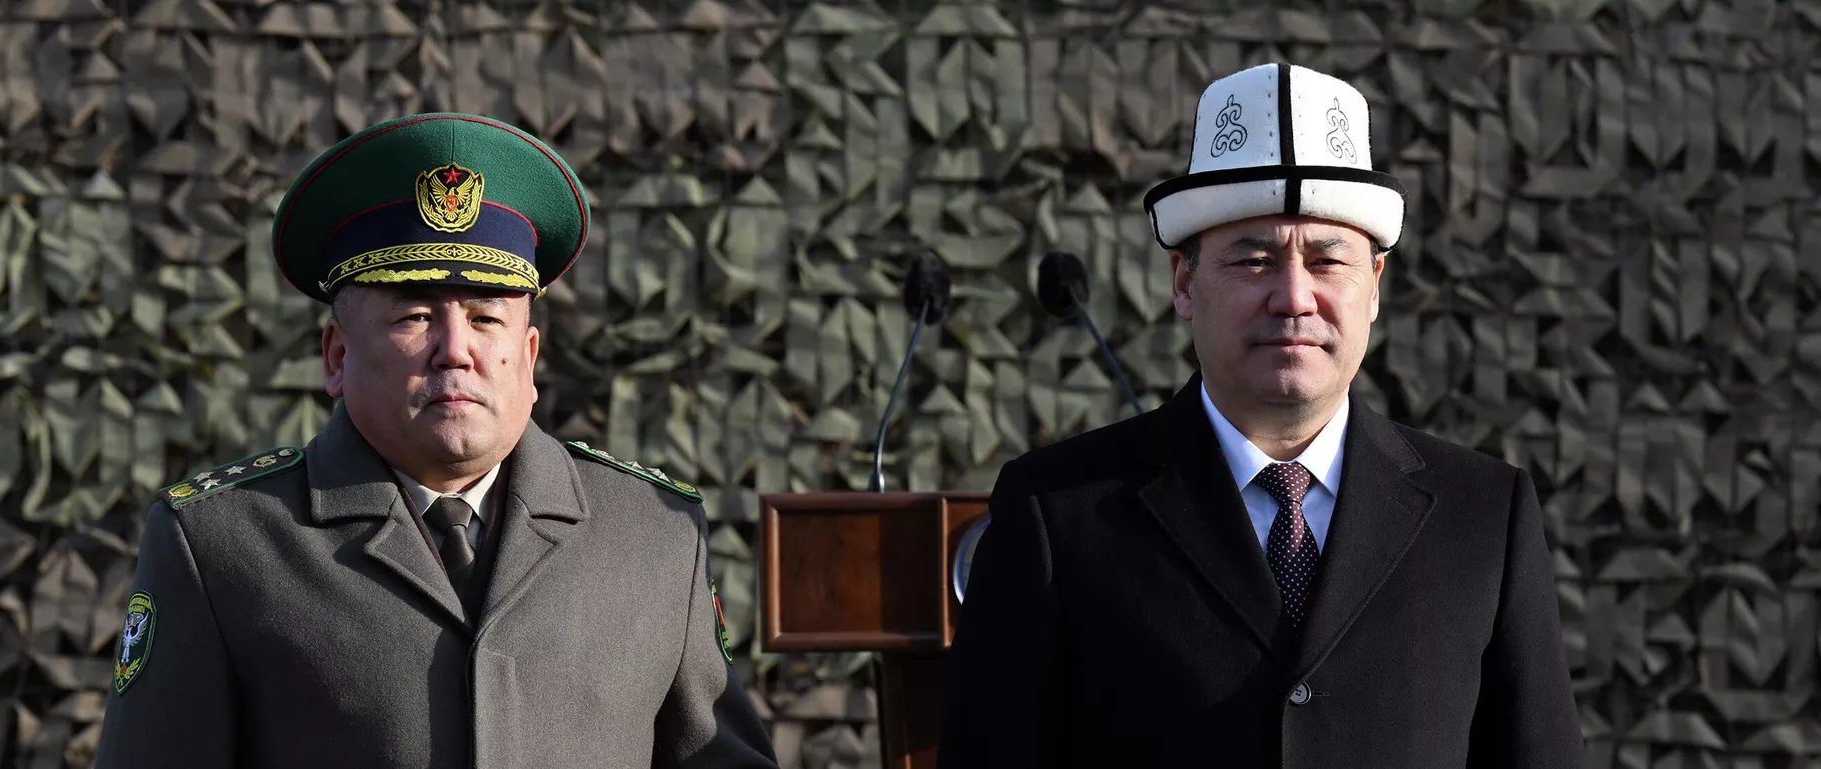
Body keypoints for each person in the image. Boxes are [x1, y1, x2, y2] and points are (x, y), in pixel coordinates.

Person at [936, 64, 1584, 768]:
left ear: (1374, 286)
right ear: (1185, 283)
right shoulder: (1059, 512)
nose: (1294, 297)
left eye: (1327, 260)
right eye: (1254, 260)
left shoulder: (1484, 516)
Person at [95, 112, 779, 769]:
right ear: (336, 355)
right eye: (416, 315)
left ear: (529, 357)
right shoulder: (223, 544)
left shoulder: (652, 536)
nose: (456, 350)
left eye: (486, 318)